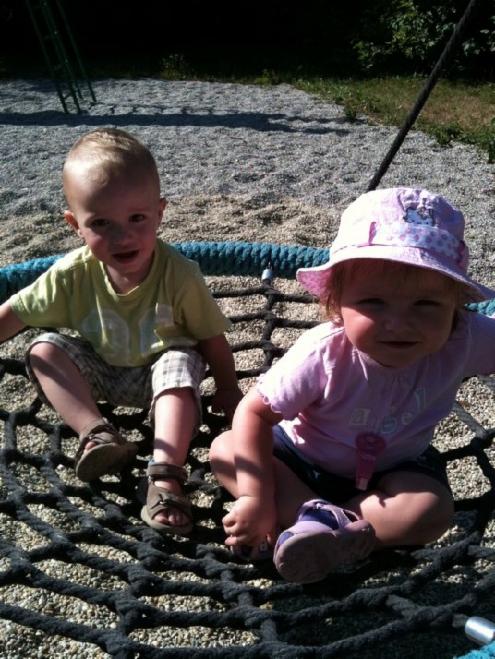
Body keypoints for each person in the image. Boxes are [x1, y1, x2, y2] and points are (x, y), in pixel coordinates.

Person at [210, 186, 495, 583]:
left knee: (430, 510)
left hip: (395, 467)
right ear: (336, 303)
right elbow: (254, 413)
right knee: (225, 450)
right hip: (301, 460)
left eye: (426, 304)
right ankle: (324, 523)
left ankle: (314, 528)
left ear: (457, 307)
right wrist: (254, 497)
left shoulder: (464, 337)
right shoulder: (324, 353)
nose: (398, 323)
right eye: (373, 303)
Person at [0, 127, 242, 536]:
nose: (123, 235)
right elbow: (15, 313)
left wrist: (228, 387)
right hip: (102, 371)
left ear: (159, 213)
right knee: (42, 350)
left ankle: (165, 474)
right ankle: (95, 433)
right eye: (101, 223)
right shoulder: (71, 274)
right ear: (75, 224)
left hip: (161, 379)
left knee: (181, 360)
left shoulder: (179, 275)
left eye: (137, 218)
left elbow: (211, 338)